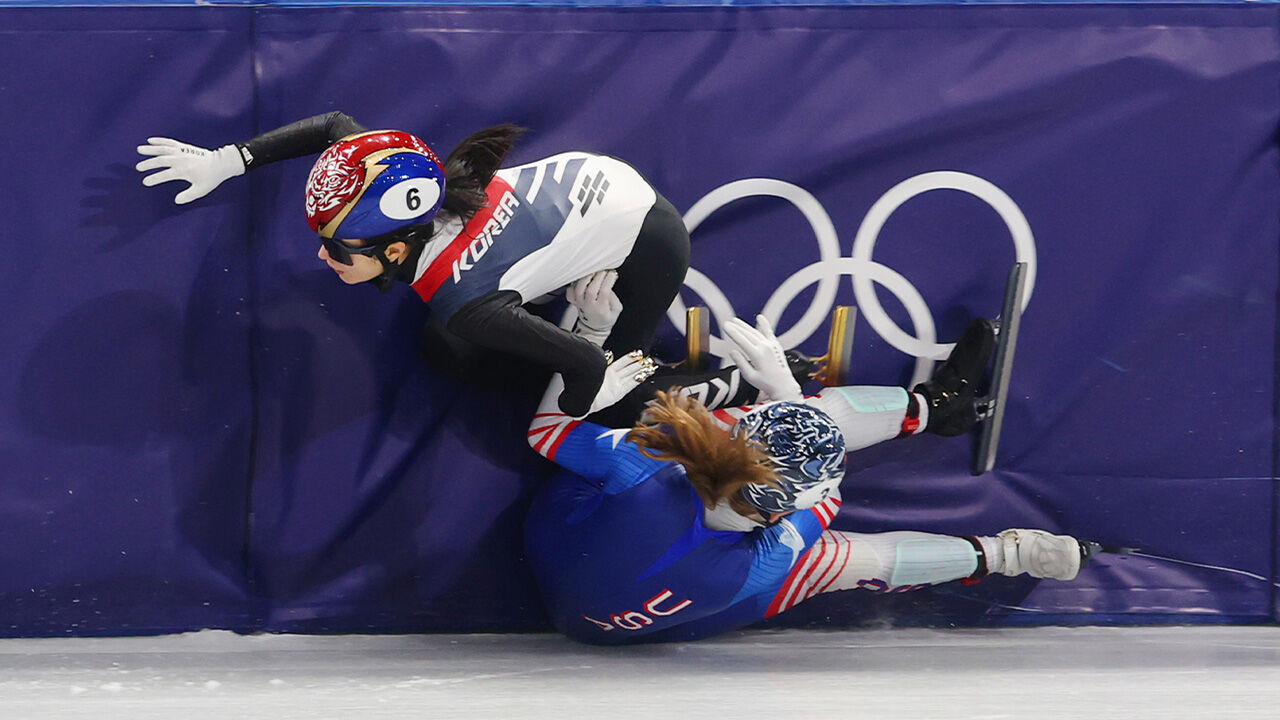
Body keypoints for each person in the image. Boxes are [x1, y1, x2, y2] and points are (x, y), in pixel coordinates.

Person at [522, 282, 1086, 645]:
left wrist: (590, 336)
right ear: (784, 511)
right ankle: (990, 528)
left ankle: (997, 536)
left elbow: (545, 433)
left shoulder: (646, 465)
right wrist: (786, 390)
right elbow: (826, 484)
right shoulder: (759, 557)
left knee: (790, 453)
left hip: (587, 593)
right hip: (694, 604)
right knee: (834, 554)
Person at [136, 112, 752, 418]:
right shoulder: (407, 184)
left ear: (395, 250)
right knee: (446, 348)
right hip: (590, 195)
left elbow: (586, 369)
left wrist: (589, 361)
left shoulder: (463, 297)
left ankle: (741, 382)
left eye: (338, 249)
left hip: (646, 240)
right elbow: (332, 127)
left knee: (611, 406)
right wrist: (229, 160)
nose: (322, 256)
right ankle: (542, 306)